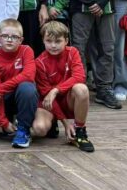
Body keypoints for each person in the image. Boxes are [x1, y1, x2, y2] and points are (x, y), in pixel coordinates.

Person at [0, 19, 39, 149]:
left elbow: (28, 75)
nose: (9, 39)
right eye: (5, 36)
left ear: (21, 40)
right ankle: (8, 118)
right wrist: (3, 122)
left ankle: (23, 130)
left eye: (14, 37)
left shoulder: (26, 50)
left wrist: (0, 89)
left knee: (27, 87)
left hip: (20, 93)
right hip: (3, 96)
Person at [31, 21, 95, 152]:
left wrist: (56, 90)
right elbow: (45, 95)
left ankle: (80, 131)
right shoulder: (39, 62)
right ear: (43, 41)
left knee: (81, 89)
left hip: (66, 99)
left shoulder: (73, 52)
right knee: (39, 129)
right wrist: (65, 123)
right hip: (49, 104)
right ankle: (52, 123)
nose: (53, 46)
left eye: (58, 41)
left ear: (66, 41)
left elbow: (79, 76)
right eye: (49, 41)